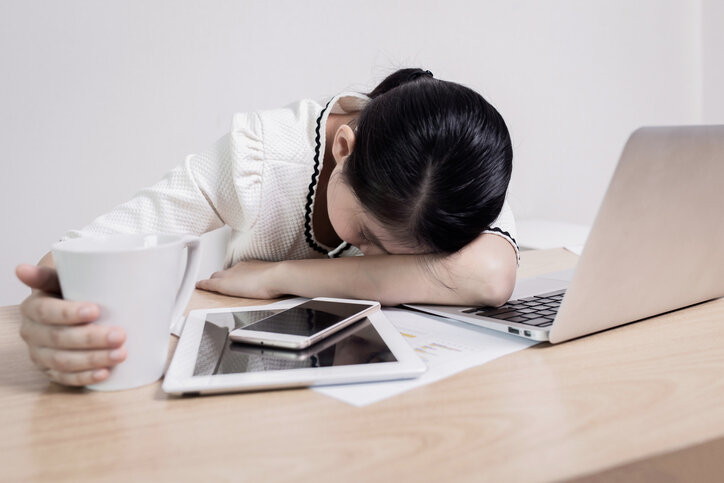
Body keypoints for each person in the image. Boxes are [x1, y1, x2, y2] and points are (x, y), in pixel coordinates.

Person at [15, 68, 519, 387]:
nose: (373, 258)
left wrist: (280, 275)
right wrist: (54, 316)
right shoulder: (260, 159)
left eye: (406, 257)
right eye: (366, 234)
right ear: (343, 148)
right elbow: (70, 260)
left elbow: (491, 276)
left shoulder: (450, 172)